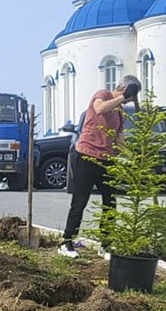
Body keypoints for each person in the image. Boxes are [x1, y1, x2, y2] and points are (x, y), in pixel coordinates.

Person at [58, 76, 141, 259]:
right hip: (86, 156)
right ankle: (67, 242)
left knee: (110, 203)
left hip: (107, 160)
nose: (129, 101)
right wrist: (123, 97)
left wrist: (134, 156)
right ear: (126, 89)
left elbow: (119, 138)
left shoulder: (119, 112)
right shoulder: (102, 95)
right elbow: (99, 108)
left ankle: (105, 245)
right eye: (131, 96)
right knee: (80, 201)